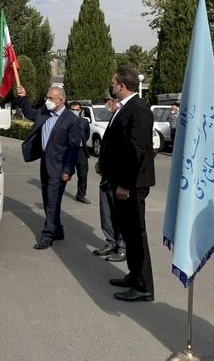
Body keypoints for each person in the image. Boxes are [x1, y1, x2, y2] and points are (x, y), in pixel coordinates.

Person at [99, 67, 156, 302]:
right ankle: (134, 275)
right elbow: (117, 144)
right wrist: (104, 163)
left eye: (114, 83)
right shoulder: (124, 108)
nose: (111, 86)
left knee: (136, 235)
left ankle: (144, 287)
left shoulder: (138, 109)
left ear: (122, 86)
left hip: (131, 185)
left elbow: (137, 151)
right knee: (129, 233)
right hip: (120, 181)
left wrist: (125, 184)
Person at [17, 85, 80, 249]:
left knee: (52, 201)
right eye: (47, 97)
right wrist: (23, 97)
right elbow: (30, 113)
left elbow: (73, 149)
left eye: (51, 98)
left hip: (59, 167)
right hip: (45, 163)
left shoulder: (72, 120)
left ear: (60, 101)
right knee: (48, 199)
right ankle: (57, 229)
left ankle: (47, 235)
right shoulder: (45, 113)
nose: (48, 101)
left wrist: (68, 170)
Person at [92, 95, 125, 263]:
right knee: (106, 211)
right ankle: (110, 242)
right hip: (107, 175)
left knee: (119, 213)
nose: (107, 104)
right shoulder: (114, 117)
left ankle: (122, 247)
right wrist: (100, 162)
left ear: (115, 102)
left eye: (108, 101)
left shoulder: (124, 117)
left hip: (118, 176)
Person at [69, 101, 90, 204]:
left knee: (83, 174)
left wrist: (81, 143)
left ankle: (81, 195)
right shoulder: (65, 121)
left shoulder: (84, 122)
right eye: (73, 110)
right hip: (68, 151)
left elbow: (87, 134)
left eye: (77, 110)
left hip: (81, 151)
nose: (75, 111)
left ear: (80, 110)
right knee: (64, 173)